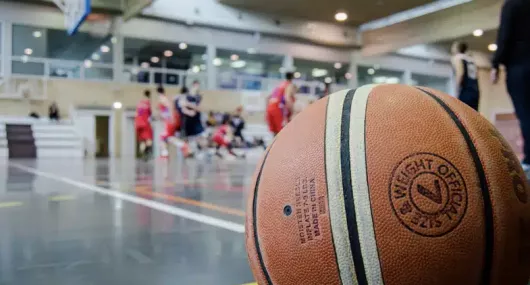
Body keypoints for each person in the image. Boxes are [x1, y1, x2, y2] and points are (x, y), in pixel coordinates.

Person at [491, 0, 530, 171]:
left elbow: (505, 35)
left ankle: (529, 158)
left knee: (526, 113)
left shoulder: (512, 5)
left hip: (519, 67)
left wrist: (495, 63)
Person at [450, 41, 480, 111]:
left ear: (456, 48)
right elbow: (477, 75)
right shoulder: (471, 59)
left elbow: (460, 73)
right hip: (475, 91)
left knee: (461, 115)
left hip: (465, 91)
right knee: (472, 115)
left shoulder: (457, 58)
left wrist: (456, 89)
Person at [135, 90, 153, 159]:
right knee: (149, 139)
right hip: (145, 124)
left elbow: (138, 113)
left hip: (138, 124)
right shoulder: (148, 103)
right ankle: (147, 152)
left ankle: (142, 153)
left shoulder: (139, 103)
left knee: (142, 140)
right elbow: (150, 114)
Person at [157, 86, 173, 158]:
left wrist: (167, 116)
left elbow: (169, 107)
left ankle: (165, 152)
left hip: (166, 119)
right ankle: (165, 151)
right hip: (165, 118)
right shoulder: (163, 98)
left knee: (164, 135)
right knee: (164, 136)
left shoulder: (162, 98)